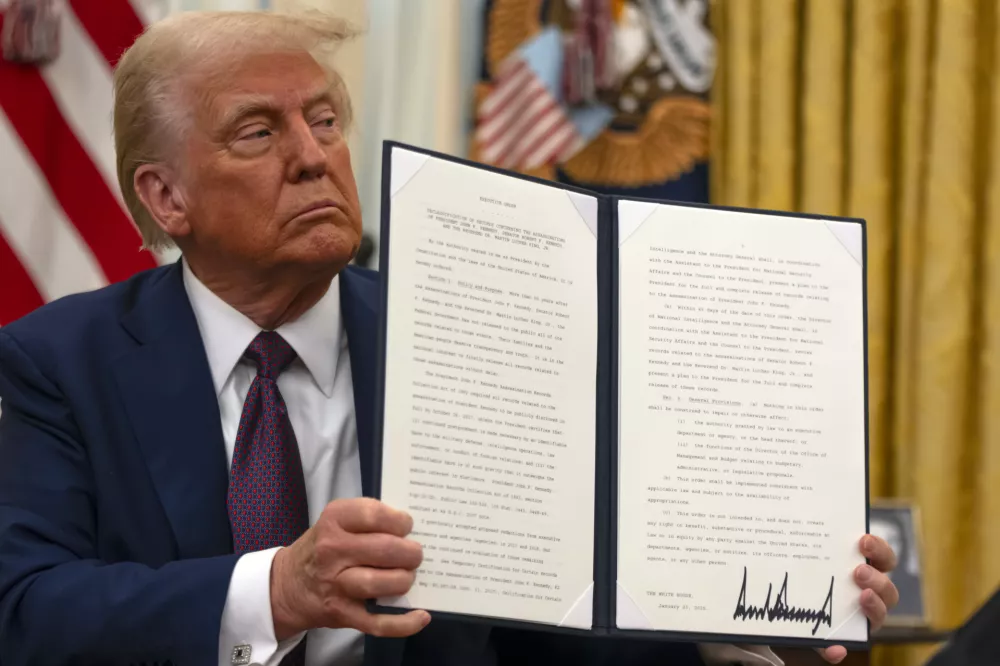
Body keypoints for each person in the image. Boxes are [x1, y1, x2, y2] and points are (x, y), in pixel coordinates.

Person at [0, 10, 899, 666]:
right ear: (166, 198)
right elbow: (26, 612)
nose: (314, 155)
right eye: (258, 132)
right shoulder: (56, 363)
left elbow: (557, 623)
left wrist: (730, 616)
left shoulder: (480, 335)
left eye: (323, 120)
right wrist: (277, 592)